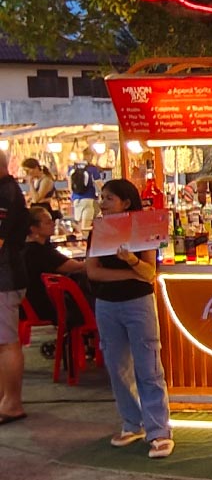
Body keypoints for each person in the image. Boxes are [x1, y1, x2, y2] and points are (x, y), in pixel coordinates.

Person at [84, 179, 173, 458]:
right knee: (117, 366)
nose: (103, 203)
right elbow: (93, 272)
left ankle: (158, 430)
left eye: (109, 198)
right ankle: (132, 423)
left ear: (125, 201)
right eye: (102, 197)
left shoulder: (144, 227)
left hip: (138, 303)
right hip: (107, 304)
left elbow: (149, 274)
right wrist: (129, 273)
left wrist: (131, 261)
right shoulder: (97, 231)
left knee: (148, 366)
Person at [0, 151, 29, 426]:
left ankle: (12, 402)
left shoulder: (6, 194)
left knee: (7, 342)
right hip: (7, 276)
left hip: (5, 278)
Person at [23, 206, 90, 325]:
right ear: (34, 228)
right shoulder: (41, 252)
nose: (53, 224)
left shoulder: (24, 248)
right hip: (47, 306)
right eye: (48, 222)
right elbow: (76, 267)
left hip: (29, 305)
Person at [69, 158, 103, 229]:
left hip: (76, 200)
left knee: (80, 225)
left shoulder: (72, 169)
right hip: (88, 200)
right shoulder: (92, 169)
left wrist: (73, 198)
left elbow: (70, 187)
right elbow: (100, 186)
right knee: (86, 227)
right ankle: (87, 238)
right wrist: (101, 196)